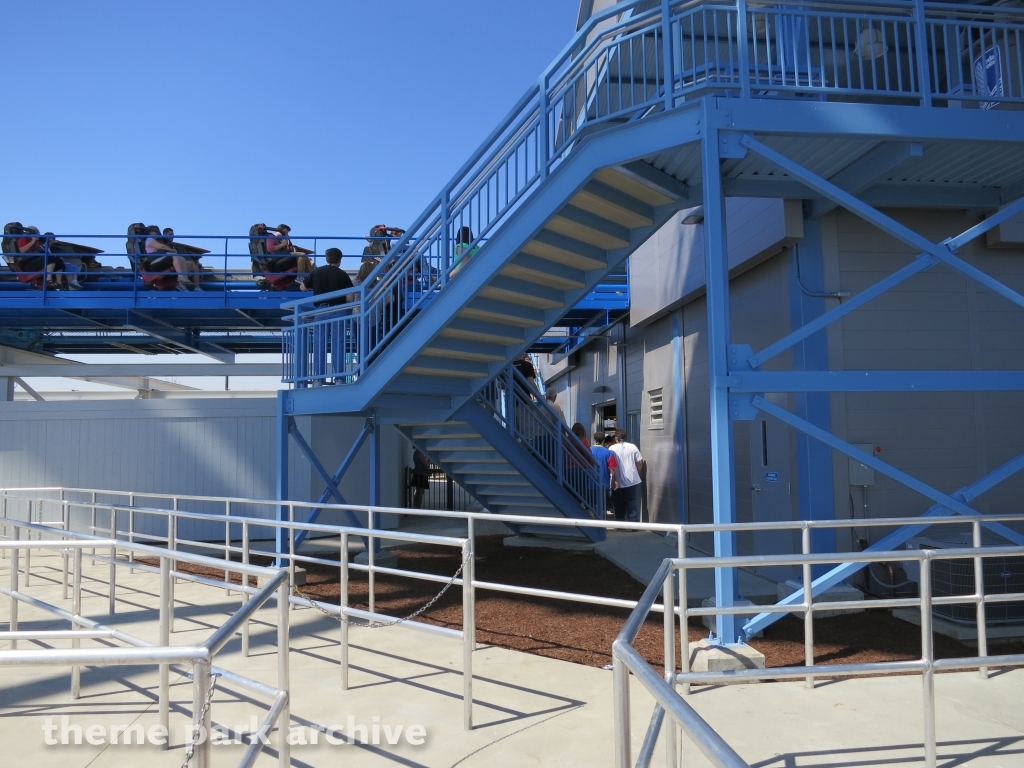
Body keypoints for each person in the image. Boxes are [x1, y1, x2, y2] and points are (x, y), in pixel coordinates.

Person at [144, 225, 200, 291]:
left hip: (161, 259)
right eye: (154, 231)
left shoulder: (160, 241)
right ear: (149, 232)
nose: (156, 233)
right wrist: (172, 250)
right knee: (175, 256)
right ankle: (180, 277)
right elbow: (161, 247)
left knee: (184, 260)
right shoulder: (149, 239)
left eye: (157, 232)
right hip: (154, 260)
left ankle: (185, 280)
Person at [610, 430, 645, 523]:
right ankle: (634, 522)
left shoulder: (612, 448)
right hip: (632, 479)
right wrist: (638, 473)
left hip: (617, 480)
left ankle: (620, 523)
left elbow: (611, 465)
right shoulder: (633, 447)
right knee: (631, 500)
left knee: (618, 502)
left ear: (616, 439)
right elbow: (639, 462)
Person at [591, 432, 619, 516]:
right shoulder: (609, 452)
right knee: (603, 506)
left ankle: (590, 520)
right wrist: (616, 480)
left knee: (590, 505)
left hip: (590, 482)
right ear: (603, 440)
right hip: (604, 483)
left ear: (594, 439)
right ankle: (602, 521)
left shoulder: (589, 450)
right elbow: (612, 469)